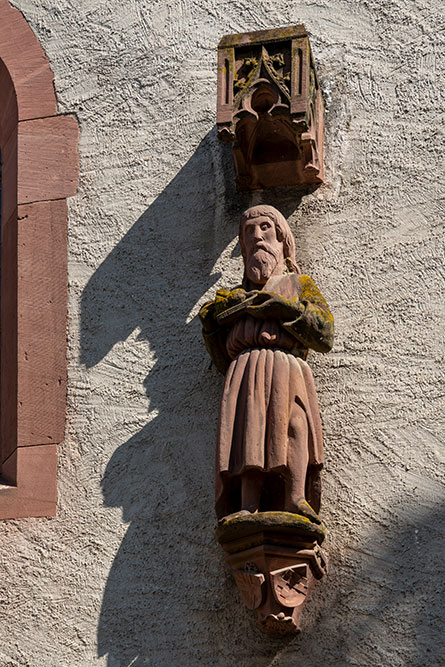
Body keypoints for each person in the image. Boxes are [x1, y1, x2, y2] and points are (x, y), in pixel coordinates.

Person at [199, 205, 334, 522]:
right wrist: (213, 322)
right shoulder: (231, 297)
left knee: (295, 426)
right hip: (245, 372)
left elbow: (324, 335)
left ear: (282, 239)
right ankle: (248, 504)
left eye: (264, 228)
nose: (257, 236)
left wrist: (284, 310)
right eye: (249, 232)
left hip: (287, 368)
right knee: (250, 430)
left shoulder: (299, 285)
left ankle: (297, 497)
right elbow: (219, 356)